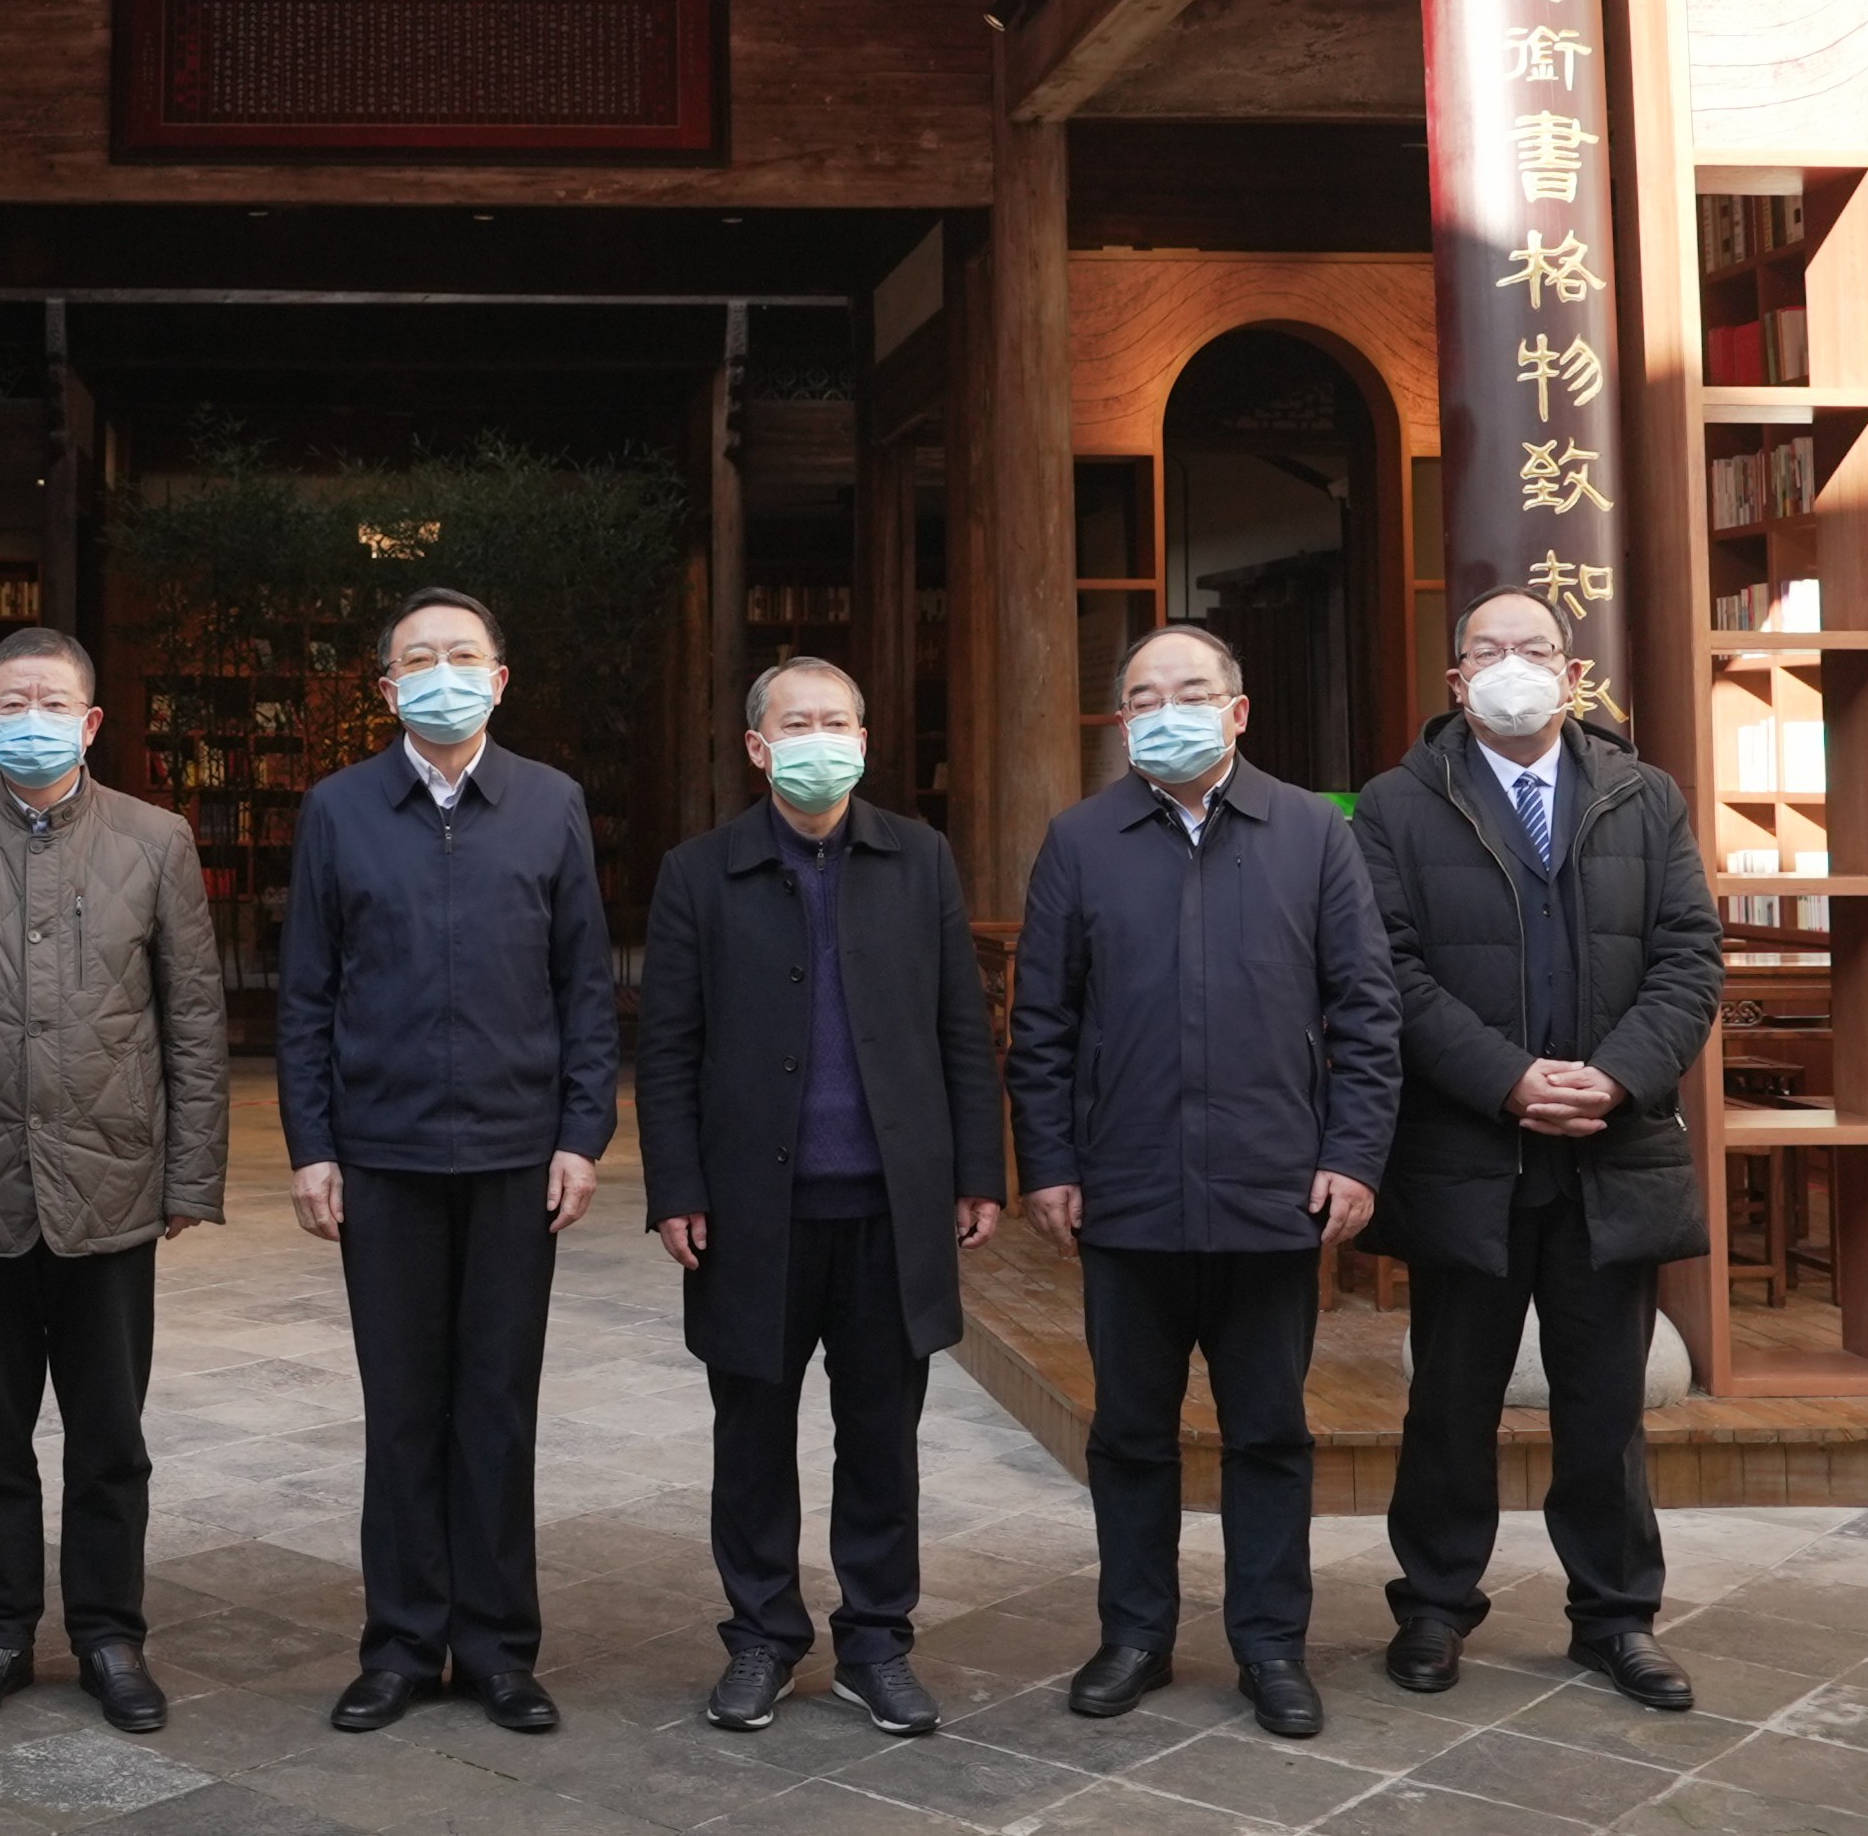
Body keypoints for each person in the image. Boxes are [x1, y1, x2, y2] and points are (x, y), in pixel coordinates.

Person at [1011, 621, 1397, 1742]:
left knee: (1268, 1432)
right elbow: (1043, 1024)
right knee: (1129, 1432)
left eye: (1187, 691)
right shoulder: (1081, 840)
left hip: (1271, 1189)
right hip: (1125, 1190)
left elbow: (1367, 1011)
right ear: (1121, 718)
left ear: (1237, 711)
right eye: (1142, 696)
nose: (1164, 709)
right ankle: (1133, 1635)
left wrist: (1351, 1154)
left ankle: (1270, 1644)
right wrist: (1051, 1163)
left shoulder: (1312, 835)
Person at [1349, 587, 1720, 1715]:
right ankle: (1432, 1604)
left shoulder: (1643, 795)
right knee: (1449, 1400)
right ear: (1457, 679)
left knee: (1605, 1406)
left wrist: (1616, 1073)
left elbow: (1689, 955)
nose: (1514, 664)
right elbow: (1387, 970)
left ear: (1572, 673)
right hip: (1468, 1149)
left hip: (1612, 1144)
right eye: (1489, 650)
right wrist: (1506, 1078)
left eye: (1536, 648)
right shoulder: (1398, 803)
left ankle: (1616, 1616)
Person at [0, 625, 228, 1735]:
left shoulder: (156, 841)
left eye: (54, 702)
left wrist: (190, 1173)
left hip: (108, 1178)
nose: (34, 719)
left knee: (109, 1437)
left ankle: (111, 1635)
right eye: (13, 702)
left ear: (91, 720)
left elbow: (193, 1016)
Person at [638, 657, 1003, 1739]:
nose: (818, 738)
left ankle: (877, 1641)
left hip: (891, 1204)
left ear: (864, 737)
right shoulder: (699, 873)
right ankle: (760, 1634)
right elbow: (667, 1047)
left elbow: (960, 1027)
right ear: (758, 747)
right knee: (751, 1435)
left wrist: (977, 1169)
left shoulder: (918, 858)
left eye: (836, 720)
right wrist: (676, 1185)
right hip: (754, 1210)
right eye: (795, 723)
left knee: (881, 1435)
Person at [279, 585, 618, 1738]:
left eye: (461, 653)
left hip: (516, 1154)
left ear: (499, 677)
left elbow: (584, 983)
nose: (441, 672)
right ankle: (398, 1644)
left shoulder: (550, 802)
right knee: (401, 1409)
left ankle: (498, 1649)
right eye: (417, 657)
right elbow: (306, 989)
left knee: (497, 1406)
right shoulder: (338, 808)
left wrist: (580, 1132)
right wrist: (312, 1145)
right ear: (386, 688)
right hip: (383, 1154)